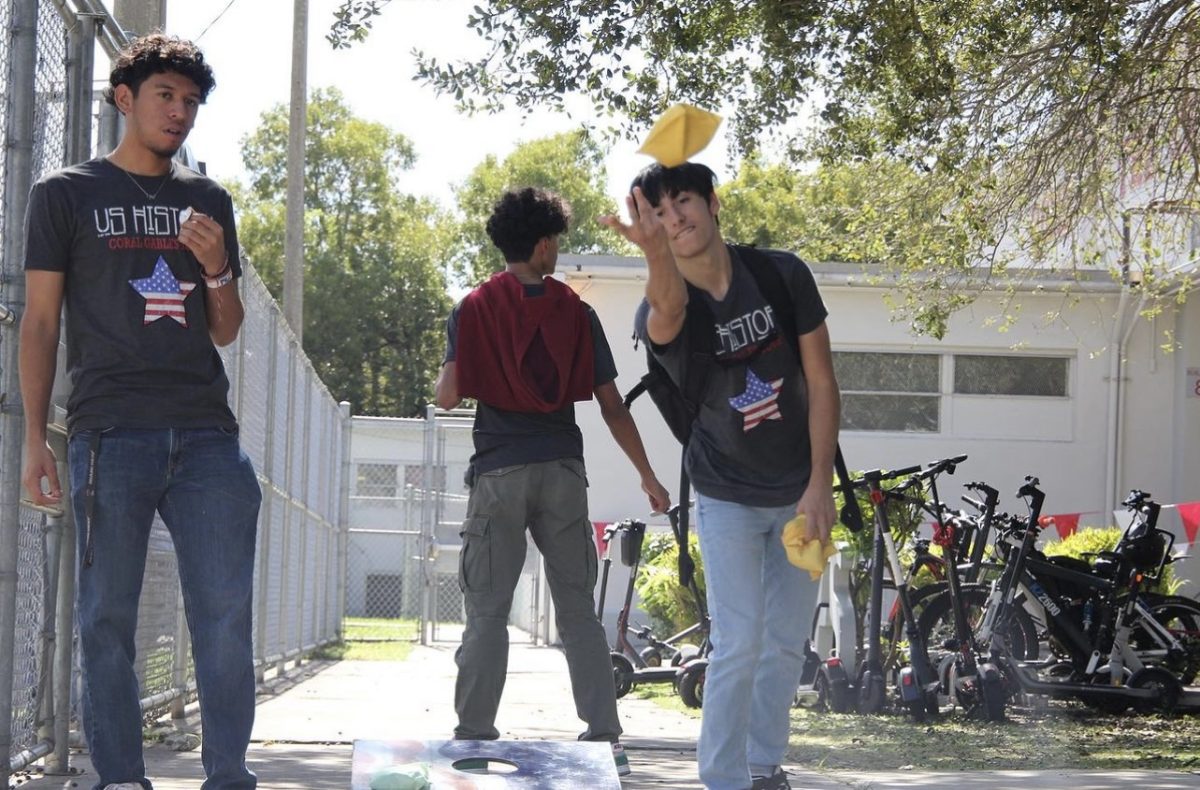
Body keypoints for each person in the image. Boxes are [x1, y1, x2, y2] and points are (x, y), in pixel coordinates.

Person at [19, 34, 260, 790]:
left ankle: (229, 778)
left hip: (207, 436)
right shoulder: (64, 193)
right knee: (104, 622)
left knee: (223, 619)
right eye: (166, 95)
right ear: (124, 97)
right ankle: (121, 779)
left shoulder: (207, 200)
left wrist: (218, 267)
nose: (180, 112)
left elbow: (225, 328)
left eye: (191, 102)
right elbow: (39, 324)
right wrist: (35, 439)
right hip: (107, 431)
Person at [600, 162, 840, 790]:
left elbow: (821, 380)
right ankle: (722, 779)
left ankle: (764, 768)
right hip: (724, 493)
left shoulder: (782, 275)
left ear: (711, 203)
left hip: (798, 490)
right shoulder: (659, 309)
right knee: (739, 640)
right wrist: (654, 252)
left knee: (787, 642)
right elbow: (669, 306)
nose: (675, 217)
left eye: (683, 201)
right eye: (659, 211)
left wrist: (821, 483)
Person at [435, 186, 671, 776]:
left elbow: (447, 393)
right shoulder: (577, 311)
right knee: (577, 610)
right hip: (563, 473)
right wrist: (648, 475)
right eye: (557, 242)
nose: (559, 252)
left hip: (498, 472)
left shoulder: (473, 306)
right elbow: (613, 405)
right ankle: (603, 734)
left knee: (486, 612)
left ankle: (474, 739)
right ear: (542, 244)